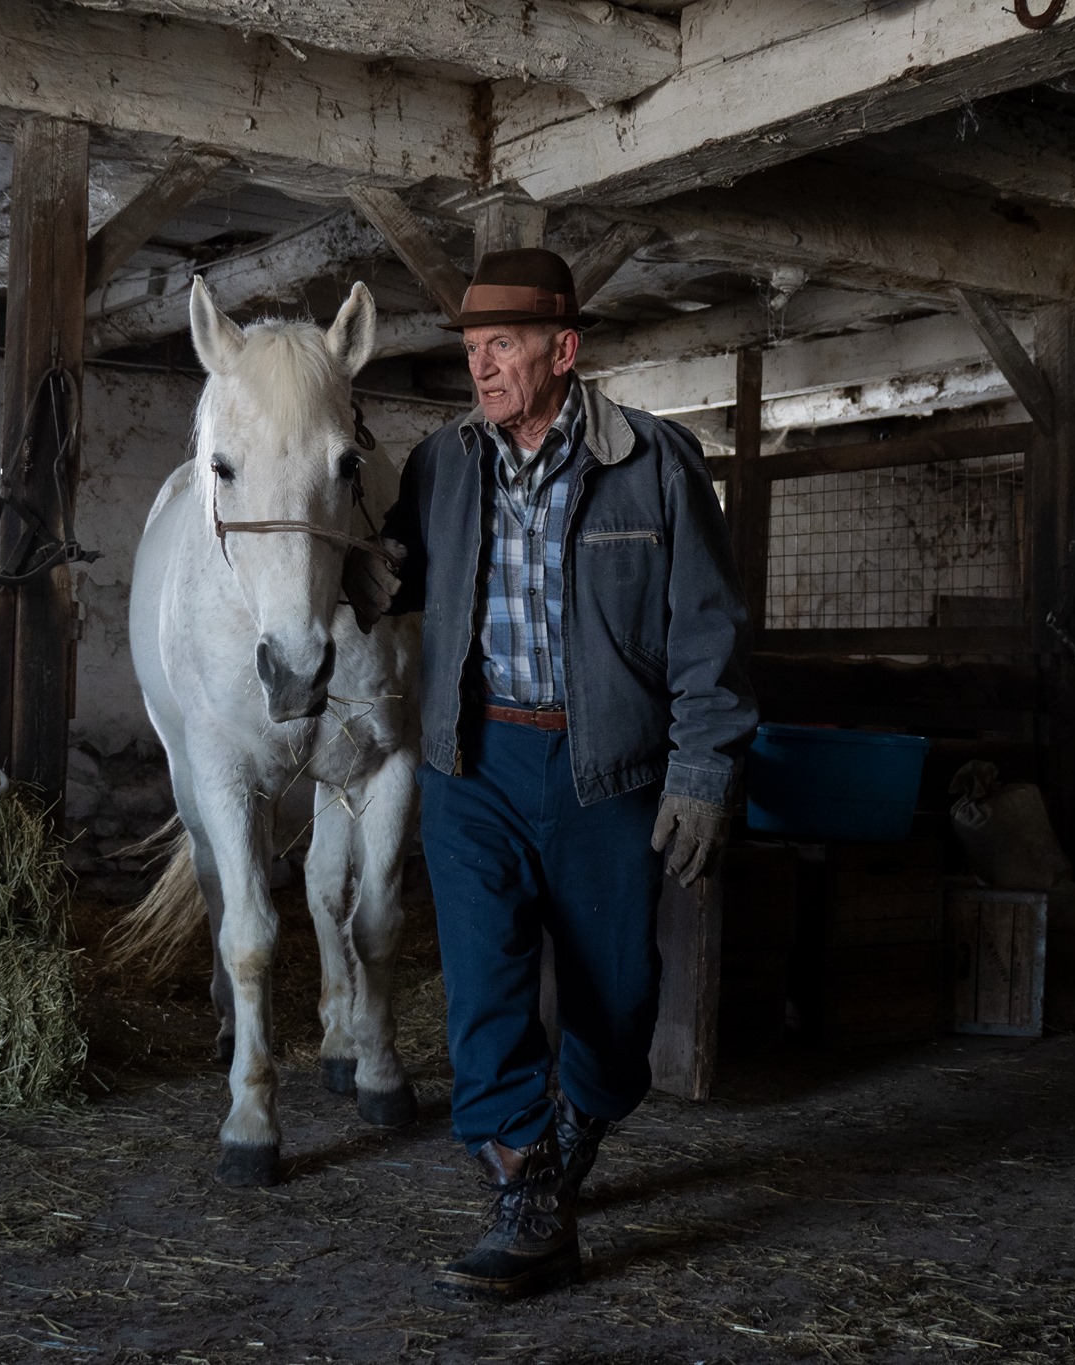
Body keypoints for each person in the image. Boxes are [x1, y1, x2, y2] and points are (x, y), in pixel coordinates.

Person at [351, 247, 756, 1301]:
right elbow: (383, 574)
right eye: (472, 348)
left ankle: (581, 1122)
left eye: (502, 346)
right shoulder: (442, 463)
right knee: (482, 985)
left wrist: (703, 769)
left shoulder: (655, 463)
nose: (480, 368)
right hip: (471, 761)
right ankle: (527, 1187)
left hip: (601, 767)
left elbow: (708, 636)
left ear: (562, 350)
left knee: (615, 997)